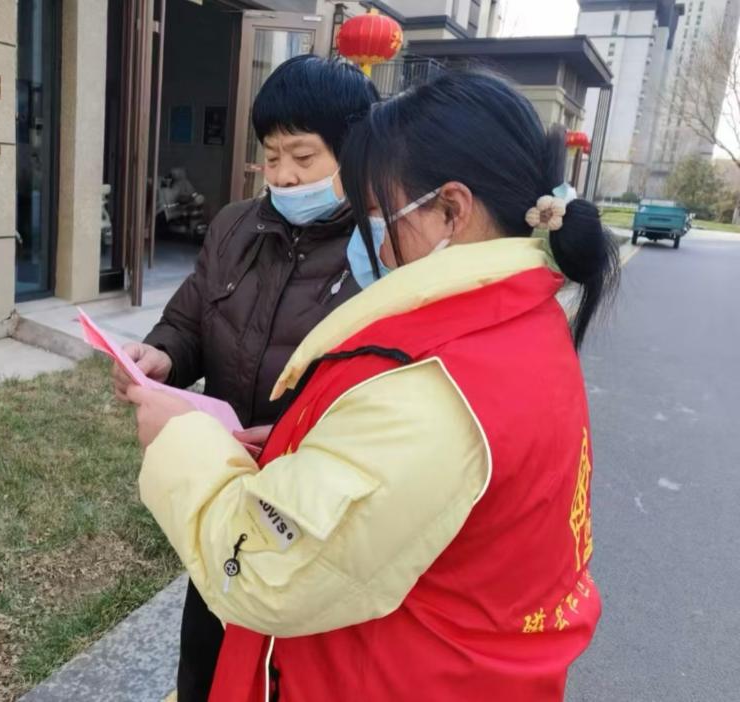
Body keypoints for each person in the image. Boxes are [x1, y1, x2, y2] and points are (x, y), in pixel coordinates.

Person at [127, 70, 619, 701]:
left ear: (452, 209)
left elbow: (265, 572)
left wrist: (178, 440)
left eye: (382, 216)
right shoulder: (517, 323)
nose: (377, 247)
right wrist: (305, 443)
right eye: (271, 157)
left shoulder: (435, 386)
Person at [111, 55, 380, 700]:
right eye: (271, 155)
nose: (283, 176)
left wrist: (290, 442)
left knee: (286, 665)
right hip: (227, 489)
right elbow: (190, 319)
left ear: (354, 153)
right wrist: (163, 356)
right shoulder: (236, 225)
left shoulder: (381, 250)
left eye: (303, 157)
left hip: (308, 508)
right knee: (205, 654)